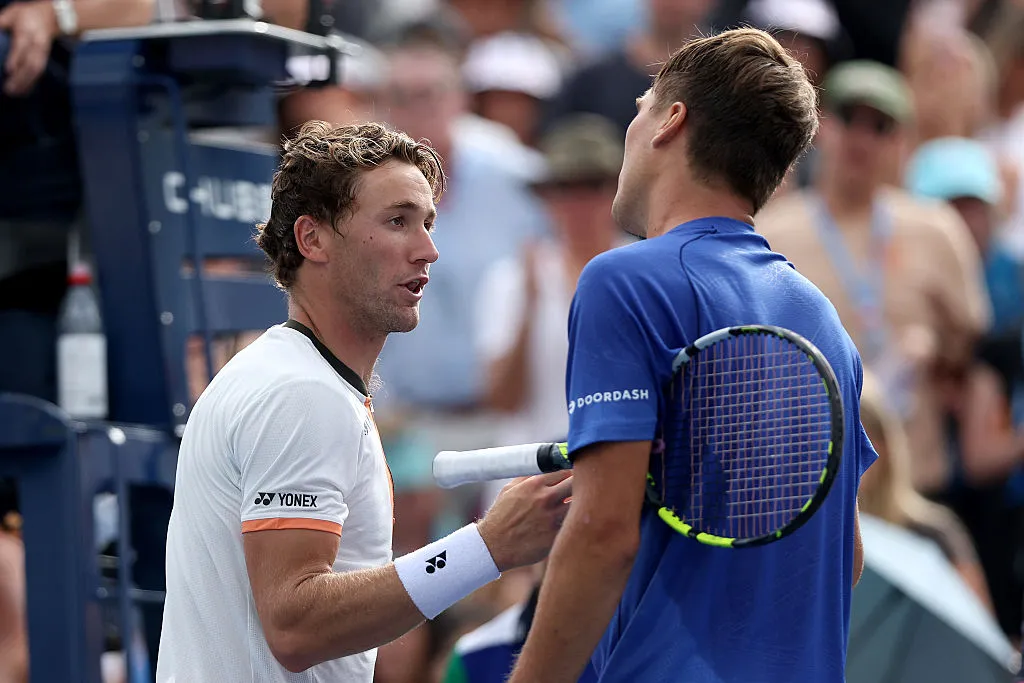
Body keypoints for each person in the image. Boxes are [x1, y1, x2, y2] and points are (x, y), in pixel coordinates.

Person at [507, 28, 875, 683]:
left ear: (670, 121)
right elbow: (844, 555)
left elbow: (602, 532)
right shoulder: (826, 321)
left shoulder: (623, 281)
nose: (631, 124)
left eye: (642, 104)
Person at [155, 121, 573, 682]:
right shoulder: (299, 393)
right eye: (398, 221)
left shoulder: (297, 379)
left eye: (427, 223)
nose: (428, 250)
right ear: (313, 240)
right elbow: (296, 625)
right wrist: (488, 545)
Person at [757, 60, 991, 496]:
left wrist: (931, 353)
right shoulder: (773, 231)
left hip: (914, 483)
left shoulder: (936, 229)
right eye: (850, 119)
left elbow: (970, 346)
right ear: (823, 128)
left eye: (880, 125)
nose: (862, 139)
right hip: (807, 483)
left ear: (900, 141)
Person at [857, 370, 993, 610]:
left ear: (885, 446)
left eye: (859, 440)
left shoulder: (936, 535)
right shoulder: (825, 542)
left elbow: (978, 625)